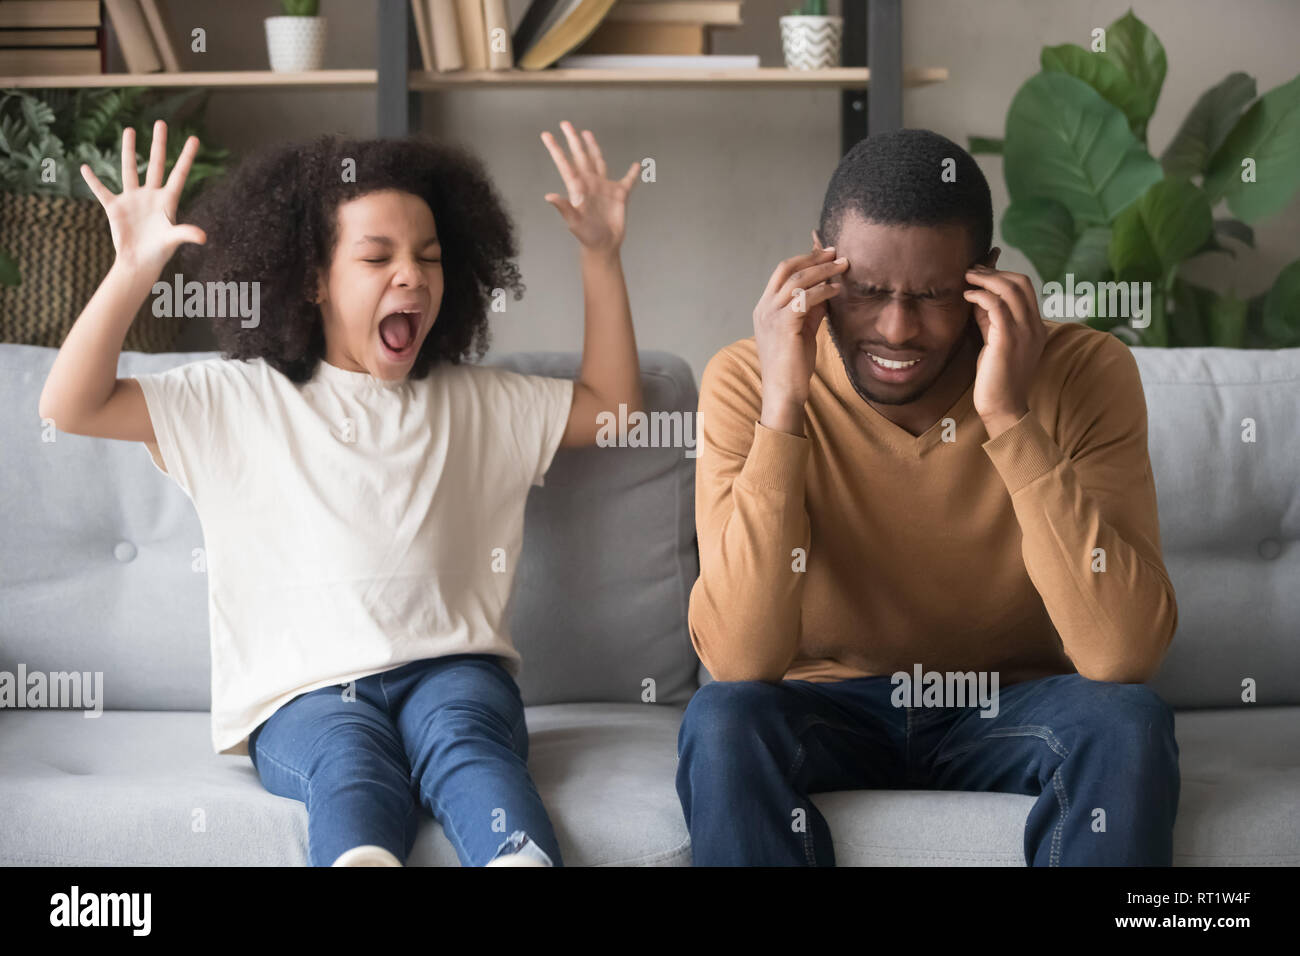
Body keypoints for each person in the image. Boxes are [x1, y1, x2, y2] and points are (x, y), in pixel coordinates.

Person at [38, 119, 643, 867]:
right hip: (305, 697)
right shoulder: (234, 402)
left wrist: (600, 253)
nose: (412, 276)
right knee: (347, 763)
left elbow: (615, 413)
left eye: (428, 257)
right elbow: (71, 405)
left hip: (455, 670)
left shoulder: (478, 403)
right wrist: (132, 268)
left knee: (467, 743)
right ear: (313, 279)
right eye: (377, 257)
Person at [678, 128, 1180, 866]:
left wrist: (1010, 417)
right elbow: (740, 657)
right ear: (818, 264)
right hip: (833, 708)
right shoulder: (749, 380)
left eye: (934, 296)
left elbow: (1123, 653)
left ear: (986, 278)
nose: (897, 328)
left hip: (1013, 703)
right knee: (724, 719)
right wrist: (784, 407)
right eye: (866, 292)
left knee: (1128, 722)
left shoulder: (1082, 372)